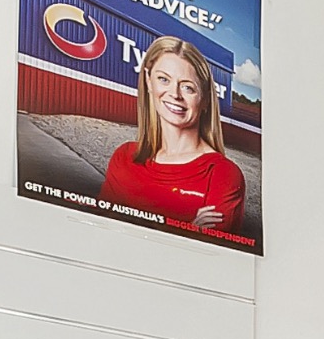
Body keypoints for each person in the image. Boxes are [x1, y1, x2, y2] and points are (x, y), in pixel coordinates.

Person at [97, 36, 248, 238]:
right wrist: (186, 228)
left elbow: (202, 253)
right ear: (148, 81)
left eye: (188, 87)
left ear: (204, 99)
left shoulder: (222, 175)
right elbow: (101, 234)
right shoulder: (124, 157)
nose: (175, 94)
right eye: (163, 79)